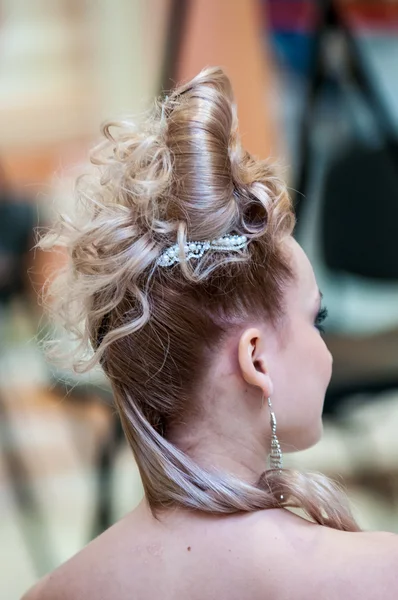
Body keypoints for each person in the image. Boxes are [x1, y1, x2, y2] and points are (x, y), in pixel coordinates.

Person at [23, 68, 398, 600]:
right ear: (256, 360)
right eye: (317, 321)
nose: (327, 352)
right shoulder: (375, 575)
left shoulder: (51, 592)